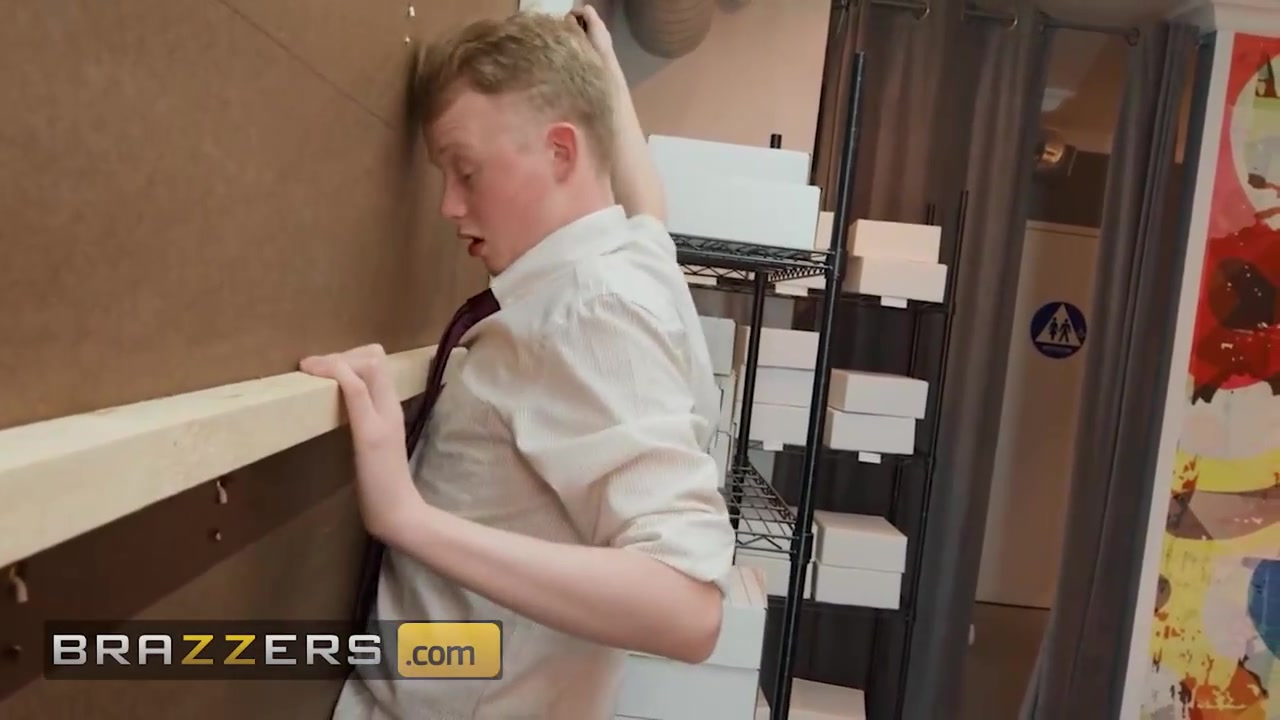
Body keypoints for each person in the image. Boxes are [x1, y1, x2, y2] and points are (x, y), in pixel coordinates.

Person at [299, 6, 736, 719]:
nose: (448, 204)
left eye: (467, 171)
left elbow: (688, 610)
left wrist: (406, 517)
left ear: (561, 153)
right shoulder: (637, 256)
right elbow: (647, 202)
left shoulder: (594, 312)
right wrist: (603, 69)